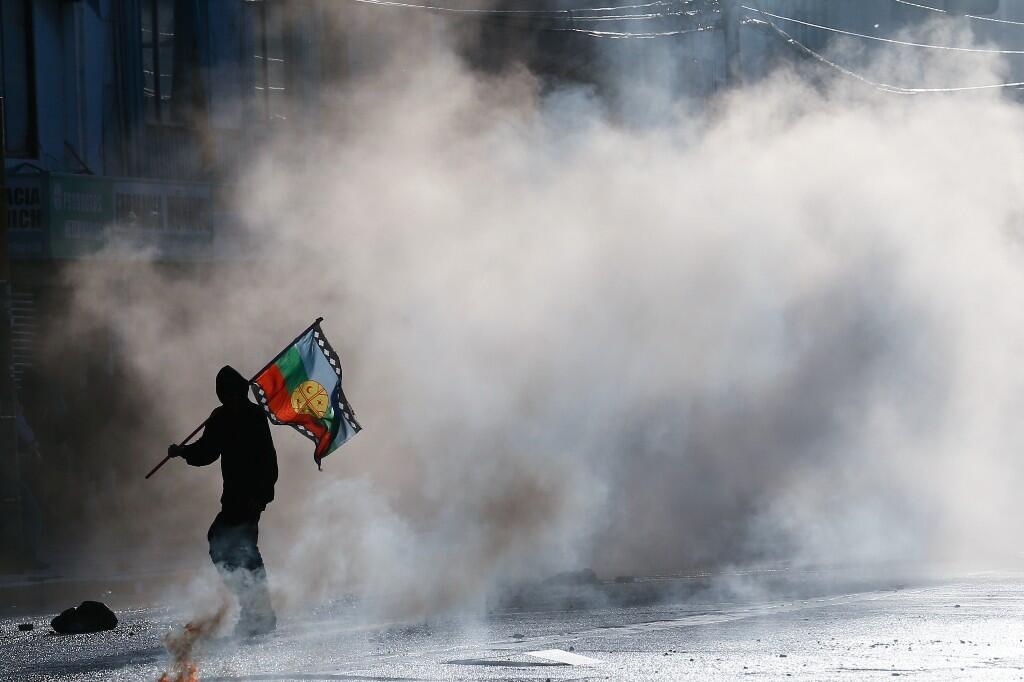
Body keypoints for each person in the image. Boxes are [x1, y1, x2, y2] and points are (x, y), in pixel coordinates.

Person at [168, 365, 279, 636]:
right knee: (219, 544)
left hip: (251, 496)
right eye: (224, 394)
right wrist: (183, 452)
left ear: (240, 391)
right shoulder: (220, 418)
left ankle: (260, 611)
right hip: (231, 496)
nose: (229, 398)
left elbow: (268, 459)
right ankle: (252, 604)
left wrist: (262, 495)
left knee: (244, 548)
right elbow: (207, 451)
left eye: (232, 393)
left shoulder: (254, 416)